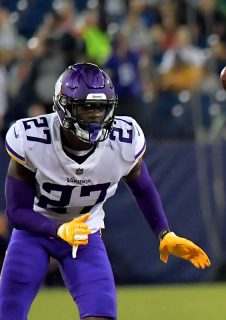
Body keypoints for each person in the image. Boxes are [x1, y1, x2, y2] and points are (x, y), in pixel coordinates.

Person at [0, 63, 211, 319]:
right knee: (9, 311)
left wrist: (163, 232)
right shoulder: (33, 140)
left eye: (101, 109)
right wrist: (57, 229)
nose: (95, 118)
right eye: (86, 109)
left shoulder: (123, 140)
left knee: (101, 313)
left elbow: (143, 188)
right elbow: (16, 212)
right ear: (64, 107)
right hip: (35, 233)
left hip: (86, 235)